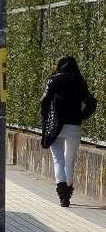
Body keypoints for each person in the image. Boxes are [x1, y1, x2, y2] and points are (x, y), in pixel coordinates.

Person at [40, 56, 97, 207]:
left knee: (58, 159)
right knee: (70, 160)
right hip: (74, 125)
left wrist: (46, 118)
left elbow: (44, 100)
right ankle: (67, 194)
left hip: (56, 125)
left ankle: (62, 193)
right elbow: (91, 102)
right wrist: (82, 115)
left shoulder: (53, 80)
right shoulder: (79, 81)